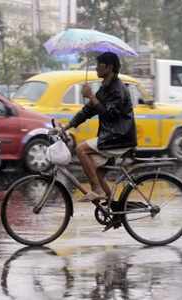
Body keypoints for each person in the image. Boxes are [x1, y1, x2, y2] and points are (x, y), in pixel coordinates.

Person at [62, 51, 137, 210]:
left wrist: (91, 97)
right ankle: (114, 210)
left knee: (81, 149)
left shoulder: (118, 89)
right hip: (111, 136)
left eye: (99, 65)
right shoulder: (105, 87)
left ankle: (96, 189)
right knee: (97, 172)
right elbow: (88, 111)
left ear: (109, 67)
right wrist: (67, 126)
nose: (96, 68)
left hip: (119, 137)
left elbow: (110, 115)